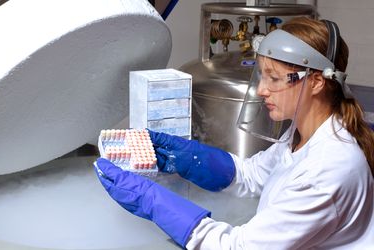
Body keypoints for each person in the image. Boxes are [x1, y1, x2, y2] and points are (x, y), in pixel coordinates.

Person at [94, 17, 374, 249]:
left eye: (274, 78)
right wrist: (190, 157)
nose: (262, 89)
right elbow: (251, 175)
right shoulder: (303, 134)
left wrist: (153, 202)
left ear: (315, 82)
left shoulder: (330, 168)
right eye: (261, 75)